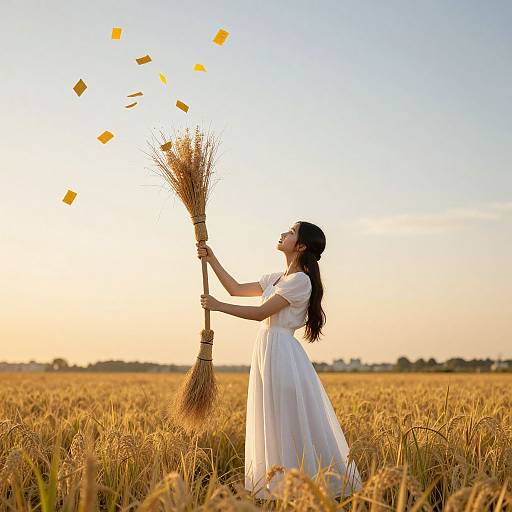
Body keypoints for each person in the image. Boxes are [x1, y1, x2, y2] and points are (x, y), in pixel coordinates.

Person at [197, 221, 363, 500]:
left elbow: (261, 313)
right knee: (273, 419)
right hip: (267, 351)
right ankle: (283, 491)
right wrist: (212, 259)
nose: (284, 233)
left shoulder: (301, 281)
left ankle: (306, 491)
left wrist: (217, 307)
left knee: (287, 421)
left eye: (292, 232)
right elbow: (235, 289)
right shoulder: (276, 278)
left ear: (300, 246)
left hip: (282, 353)